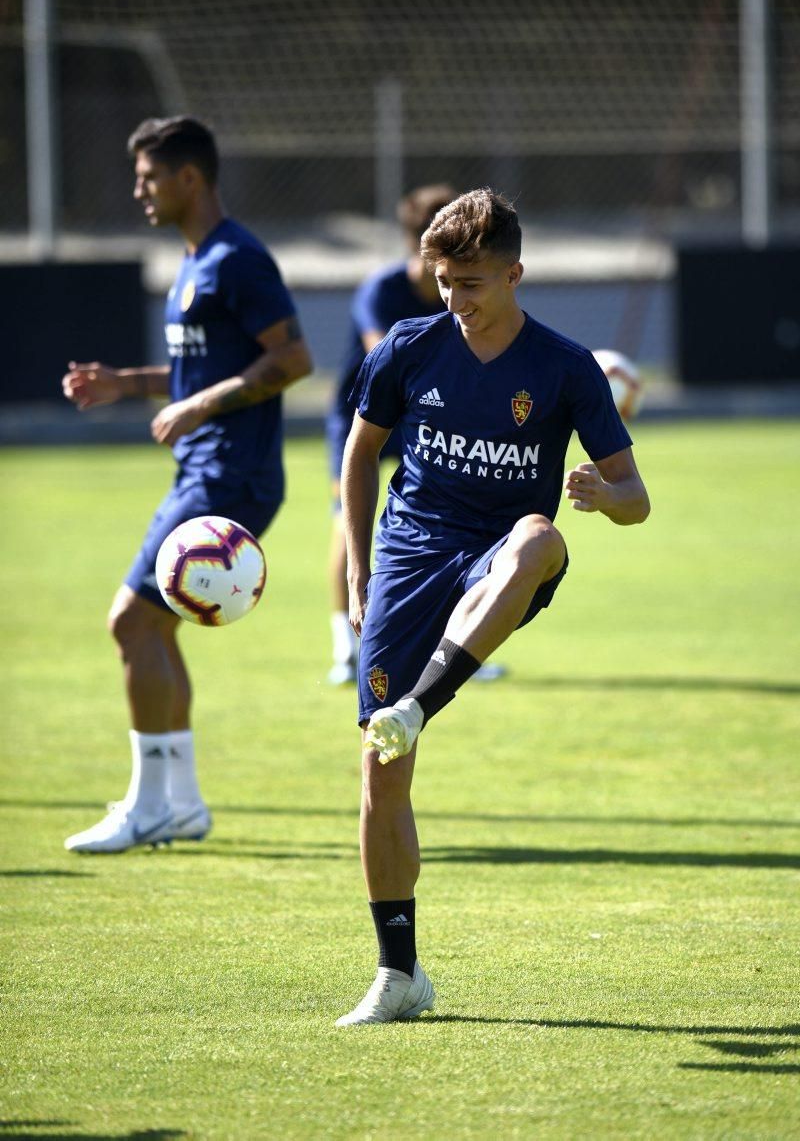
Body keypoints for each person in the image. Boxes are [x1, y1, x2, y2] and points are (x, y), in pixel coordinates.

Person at [335, 189, 650, 1026]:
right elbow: (360, 455)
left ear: (515, 273)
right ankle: (399, 975)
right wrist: (361, 570)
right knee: (381, 769)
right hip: (412, 551)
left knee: (540, 533)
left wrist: (601, 492)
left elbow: (638, 497)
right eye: (444, 282)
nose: (456, 301)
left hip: (499, 553)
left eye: (472, 284)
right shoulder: (407, 347)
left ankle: (417, 704)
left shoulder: (565, 367)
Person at [61, 116, 313, 854]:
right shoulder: (194, 262)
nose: (139, 190)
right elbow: (197, 373)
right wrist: (124, 384)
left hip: (229, 472)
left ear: (189, 178)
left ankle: (148, 806)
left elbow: (294, 358)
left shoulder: (238, 258)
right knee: (154, 627)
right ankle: (181, 804)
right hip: (207, 467)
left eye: (148, 177)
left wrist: (200, 406)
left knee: (130, 624)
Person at [325, 183, 505, 687]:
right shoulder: (381, 292)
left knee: (457, 519)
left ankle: (460, 645)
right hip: (367, 416)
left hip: (432, 415)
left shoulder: (473, 290)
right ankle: (346, 641)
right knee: (348, 516)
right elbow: (388, 360)